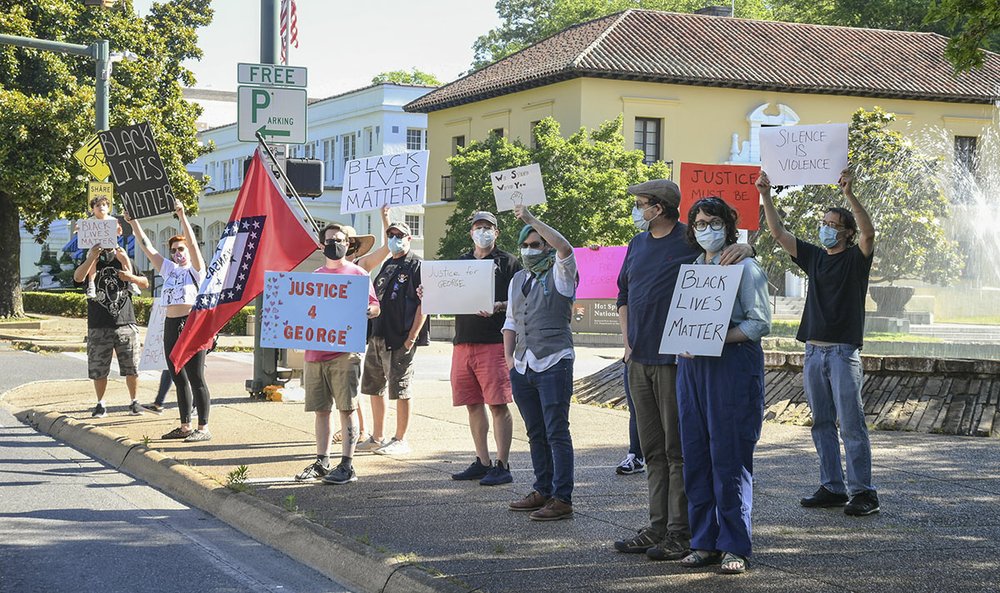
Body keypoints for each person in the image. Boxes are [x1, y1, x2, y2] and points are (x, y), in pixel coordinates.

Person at [613, 179, 752, 560]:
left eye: (641, 203)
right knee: (652, 451)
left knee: (678, 452)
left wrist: (748, 245)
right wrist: (627, 344)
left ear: (659, 207)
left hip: (675, 361)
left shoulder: (689, 240)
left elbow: (724, 252)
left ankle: (680, 531)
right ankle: (656, 527)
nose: (637, 209)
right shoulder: (637, 244)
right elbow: (623, 293)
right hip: (638, 361)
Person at [757, 168, 880, 517]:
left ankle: (864, 492)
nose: (824, 227)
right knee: (822, 422)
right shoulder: (814, 257)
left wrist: (849, 195)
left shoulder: (857, 259)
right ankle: (832, 486)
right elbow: (779, 232)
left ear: (845, 233)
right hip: (812, 350)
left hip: (843, 352)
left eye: (831, 224)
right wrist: (765, 194)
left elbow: (869, 232)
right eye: (823, 222)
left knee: (851, 423)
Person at [675, 197, 771, 575]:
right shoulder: (692, 268)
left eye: (713, 222)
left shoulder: (746, 267)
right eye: (699, 223)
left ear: (728, 226)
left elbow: (759, 323)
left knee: (729, 458)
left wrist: (717, 337)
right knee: (695, 455)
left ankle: (735, 545)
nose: (706, 229)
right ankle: (703, 541)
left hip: (732, 366)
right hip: (692, 369)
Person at [504, 204, 577, 521]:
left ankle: (562, 498)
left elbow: (565, 247)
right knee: (535, 432)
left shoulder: (561, 273)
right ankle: (542, 489)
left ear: (546, 246)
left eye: (536, 244)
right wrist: (509, 360)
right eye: (526, 244)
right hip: (523, 366)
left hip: (554, 361)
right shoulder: (518, 278)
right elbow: (510, 320)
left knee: (556, 432)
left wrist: (531, 219)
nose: (530, 249)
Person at [294, 223, 380, 484]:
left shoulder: (357, 275)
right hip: (315, 353)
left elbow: (375, 306)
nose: (335, 244)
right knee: (321, 410)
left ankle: (347, 464)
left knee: (346, 408)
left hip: (345, 352)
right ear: (322, 245)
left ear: (347, 243)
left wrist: (368, 311)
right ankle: (322, 460)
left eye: (340, 240)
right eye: (330, 240)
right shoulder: (314, 277)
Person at [444, 211, 520, 486]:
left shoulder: (509, 263)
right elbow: (445, 294)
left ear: (496, 232)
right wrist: (428, 294)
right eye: (478, 227)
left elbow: (521, 301)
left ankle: (503, 464)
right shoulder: (460, 263)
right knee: (472, 405)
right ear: (471, 233)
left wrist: (499, 306)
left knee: (498, 404)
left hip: (493, 344)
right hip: (463, 343)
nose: (482, 231)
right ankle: (482, 461)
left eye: (488, 227)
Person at [127, 200, 213, 442]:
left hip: (191, 323)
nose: (177, 253)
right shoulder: (169, 269)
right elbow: (147, 248)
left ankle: (203, 428)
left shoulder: (196, 270)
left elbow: (194, 244)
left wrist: (182, 215)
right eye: (174, 250)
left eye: (180, 249)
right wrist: (133, 222)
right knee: (177, 375)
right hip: (171, 323)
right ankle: (185, 425)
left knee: (196, 376)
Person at [357, 220, 429, 455]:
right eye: (391, 235)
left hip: (400, 337)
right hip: (379, 333)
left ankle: (400, 439)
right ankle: (377, 437)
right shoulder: (389, 263)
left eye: (400, 235)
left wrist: (412, 337)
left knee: (401, 389)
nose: (395, 239)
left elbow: (424, 303)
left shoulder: (416, 265)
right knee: (374, 387)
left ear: (409, 238)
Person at [331, 205, 392, 446]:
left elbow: (387, 247)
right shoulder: (330, 268)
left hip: (355, 331)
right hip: (334, 331)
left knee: (351, 384)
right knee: (341, 384)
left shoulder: (361, 265)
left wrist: (385, 218)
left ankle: (361, 428)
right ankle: (353, 427)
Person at [73, 231, 149, 418]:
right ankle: (100, 403)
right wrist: (91, 257)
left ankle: (134, 401)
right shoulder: (91, 260)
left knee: (132, 366)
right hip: (99, 324)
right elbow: (77, 278)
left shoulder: (123, 258)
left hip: (126, 322)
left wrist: (130, 276)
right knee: (99, 369)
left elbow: (145, 282)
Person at [616, 367, 645, 475]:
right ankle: (636, 456)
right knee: (635, 410)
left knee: (665, 412)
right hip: (634, 358)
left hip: (663, 361)